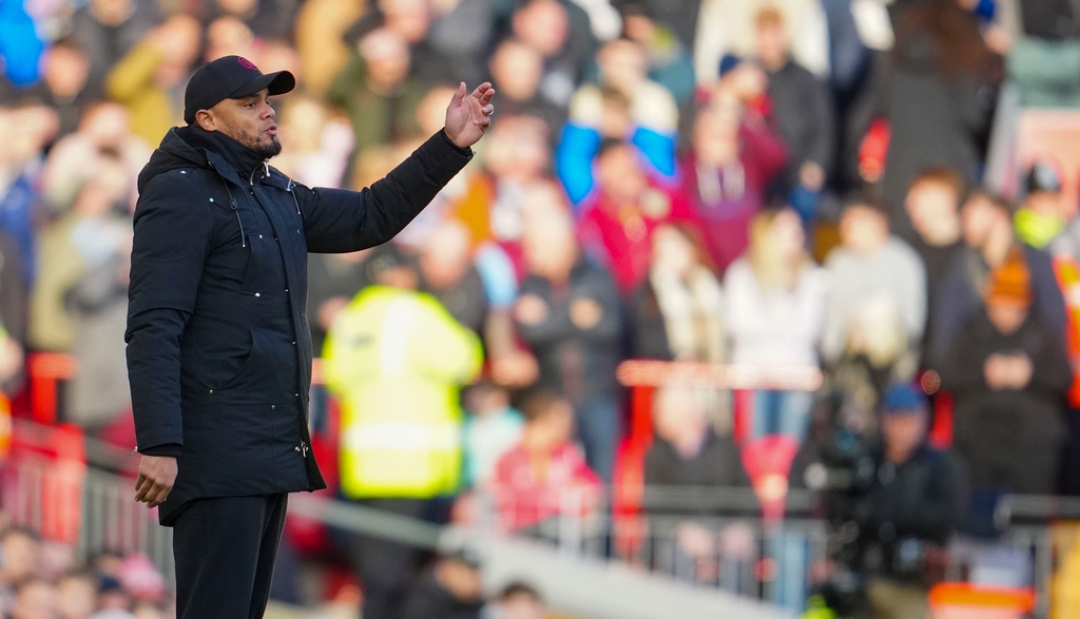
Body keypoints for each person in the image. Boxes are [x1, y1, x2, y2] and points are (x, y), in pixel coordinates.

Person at [125, 54, 494, 619]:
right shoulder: (180, 193)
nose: (267, 112)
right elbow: (154, 323)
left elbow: (370, 215)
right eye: (249, 104)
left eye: (267, 101)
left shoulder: (273, 191)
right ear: (206, 120)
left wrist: (448, 145)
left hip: (266, 443)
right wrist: (159, 443)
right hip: (215, 448)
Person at [322, 244, 483, 619]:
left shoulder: (352, 318)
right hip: (414, 468)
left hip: (364, 467)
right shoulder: (418, 312)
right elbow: (464, 360)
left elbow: (339, 377)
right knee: (396, 577)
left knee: (376, 572)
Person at [850, 383, 966, 619]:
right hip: (866, 575)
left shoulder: (939, 465)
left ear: (923, 420)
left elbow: (950, 515)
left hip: (918, 583)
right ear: (883, 420)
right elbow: (851, 508)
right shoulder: (868, 460)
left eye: (908, 420)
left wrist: (896, 515)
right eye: (896, 420)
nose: (901, 429)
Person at [489, 390, 600, 532]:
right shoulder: (510, 459)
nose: (567, 428)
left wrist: (584, 494)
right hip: (520, 531)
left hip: (560, 529)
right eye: (559, 422)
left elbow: (590, 483)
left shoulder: (566, 454)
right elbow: (497, 496)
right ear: (537, 422)